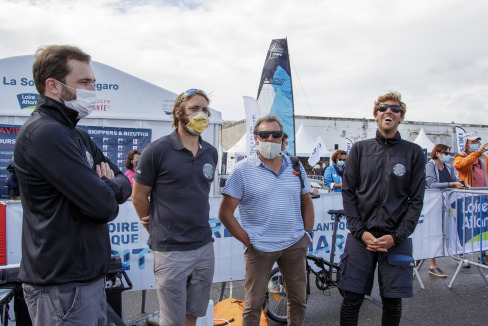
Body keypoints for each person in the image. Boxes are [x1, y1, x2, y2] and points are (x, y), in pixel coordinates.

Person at [14, 45, 132, 326]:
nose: (93, 89)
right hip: (62, 285)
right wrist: (106, 187)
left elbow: (124, 182)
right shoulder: (46, 133)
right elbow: (104, 206)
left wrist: (108, 185)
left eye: (93, 81)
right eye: (84, 82)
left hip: (84, 278)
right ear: (53, 86)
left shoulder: (75, 133)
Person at [132, 89, 217, 326]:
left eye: (205, 109)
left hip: (203, 246)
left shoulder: (211, 152)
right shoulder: (156, 150)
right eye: (194, 109)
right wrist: (154, 223)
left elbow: (200, 190)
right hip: (170, 250)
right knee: (172, 319)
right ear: (179, 113)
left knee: (193, 313)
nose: (201, 114)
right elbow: (138, 196)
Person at [219, 115, 314, 326]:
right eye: (264, 134)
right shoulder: (242, 170)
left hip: (294, 244)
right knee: (253, 304)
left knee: (298, 299)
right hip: (259, 248)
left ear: (282, 138)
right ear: (255, 138)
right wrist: (248, 240)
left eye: (276, 134)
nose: (270, 139)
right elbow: (225, 213)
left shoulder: (295, 165)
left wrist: (307, 234)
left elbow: (307, 201)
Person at [339, 92, 425, 326]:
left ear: (401, 117)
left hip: (395, 238)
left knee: (393, 302)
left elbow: (416, 200)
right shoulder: (359, 149)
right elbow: (348, 192)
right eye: (383, 108)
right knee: (352, 298)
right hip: (361, 237)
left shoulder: (414, 153)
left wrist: (397, 236)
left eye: (395, 109)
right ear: (375, 115)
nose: (389, 111)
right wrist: (360, 232)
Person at [425, 144, 465, 277]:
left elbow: (455, 180)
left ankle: (456, 253)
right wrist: (452, 185)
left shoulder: (448, 167)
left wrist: (461, 184)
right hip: (435, 205)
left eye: (449, 153)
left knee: (450, 229)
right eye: (445, 153)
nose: (448, 156)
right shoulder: (430, 166)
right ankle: (432, 264)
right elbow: (432, 184)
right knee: (433, 232)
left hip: (448, 205)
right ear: (437, 153)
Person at [453, 131, 488, 265]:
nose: (476, 144)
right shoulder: (460, 156)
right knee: (465, 226)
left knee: (483, 225)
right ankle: (460, 254)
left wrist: (479, 154)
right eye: (472, 142)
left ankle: (483, 253)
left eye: (477, 141)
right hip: (468, 198)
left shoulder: (483, 157)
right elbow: (460, 166)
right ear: (466, 144)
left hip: (483, 197)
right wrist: (477, 153)